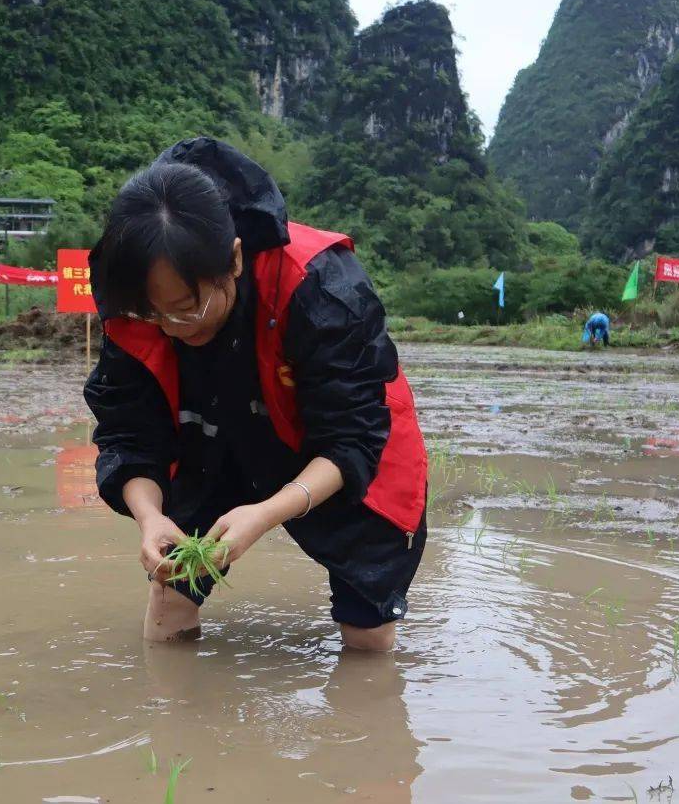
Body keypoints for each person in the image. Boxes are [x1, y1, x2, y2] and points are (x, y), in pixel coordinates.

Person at [83, 137, 428, 652]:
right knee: (169, 606)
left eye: (187, 308)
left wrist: (265, 513)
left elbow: (352, 437)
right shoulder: (132, 304)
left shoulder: (321, 285)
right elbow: (129, 433)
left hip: (328, 447)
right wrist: (151, 518)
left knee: (367, 638)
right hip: (210, 434)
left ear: (235, 259)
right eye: (154, 315)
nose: (172, 329)